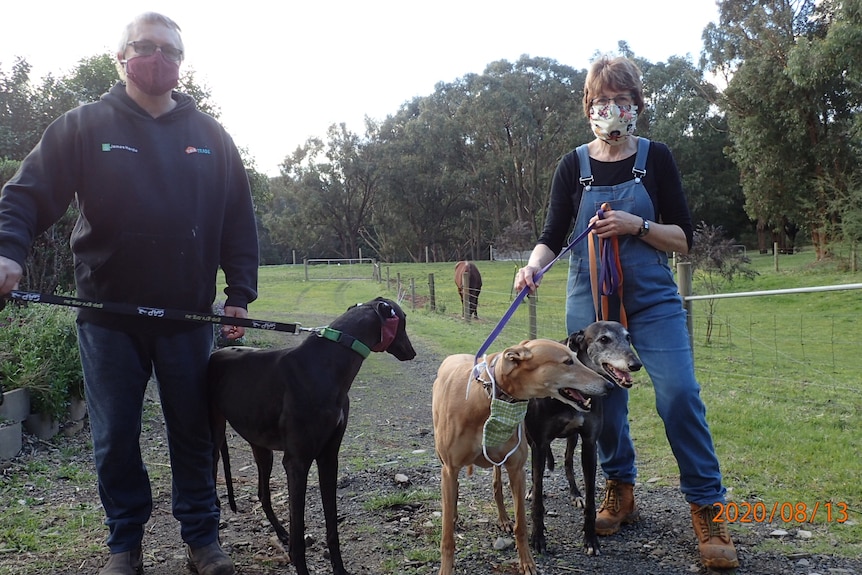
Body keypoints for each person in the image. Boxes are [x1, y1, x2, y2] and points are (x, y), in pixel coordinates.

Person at [0, 12, 258, 575]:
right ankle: (125, 545)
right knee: (115, 436)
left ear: (181, 63)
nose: (159, 57)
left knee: (194, 433)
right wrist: (7, 253)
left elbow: (239, 218)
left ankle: (202, 540)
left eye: (171, 51)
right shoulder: (83, 126)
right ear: (121, 57)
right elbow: (24, 196)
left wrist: (239, 291)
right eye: (146, 47)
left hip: (189, 317)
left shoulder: (211, 137)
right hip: (106, 317)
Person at [514, 55, 739, 570]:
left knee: (680, 394)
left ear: (637, 105)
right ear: (587, 108)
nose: (611, 110)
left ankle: (706, 507)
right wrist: (532, 267)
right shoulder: (572, 165)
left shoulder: (656, 158)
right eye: (601, 101)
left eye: (621, 100)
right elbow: (552, 235)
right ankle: (620, 486)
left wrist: (637, 226)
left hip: (651, 297)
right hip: (589, 302)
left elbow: (682, 240)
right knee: (599, 400)